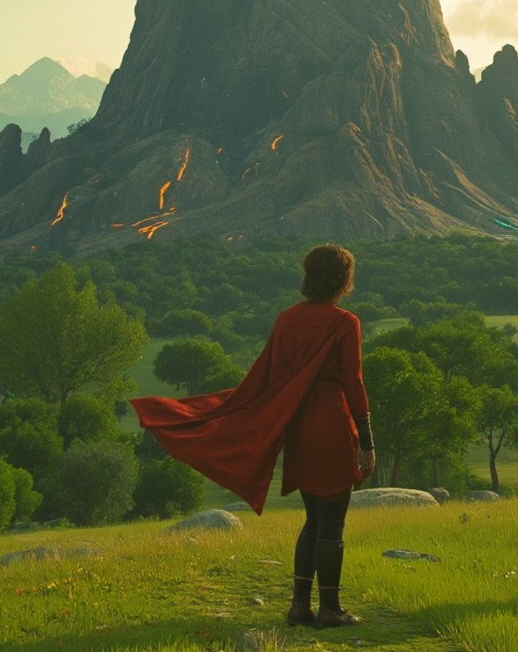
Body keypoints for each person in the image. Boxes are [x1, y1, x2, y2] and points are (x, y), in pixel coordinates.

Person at [130, 242, 375, 629]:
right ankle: (330, 609)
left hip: (298, 425)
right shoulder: (345, 323)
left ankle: (299, 606)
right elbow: (353, 382)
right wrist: (367, 438)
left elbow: (269, 378)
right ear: (344, 279)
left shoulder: (286, 319)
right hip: (331, 422)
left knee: (313, 519)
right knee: (333, 522)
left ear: (309, 276)